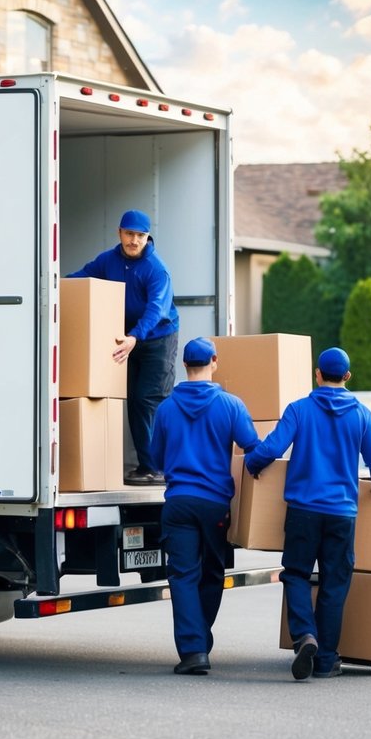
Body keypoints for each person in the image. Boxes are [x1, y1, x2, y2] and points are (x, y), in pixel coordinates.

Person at [244, 348, 371, 681]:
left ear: (317, 374)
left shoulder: (300, 410)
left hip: (303, 511)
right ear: (348, 377)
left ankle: (304, 635)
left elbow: (270, 449)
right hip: (342, 514)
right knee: (334, 584)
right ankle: (326, 660)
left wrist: (252, 464)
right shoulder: (362, 415)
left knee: (295, 575)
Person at [148, 337, 261, 675]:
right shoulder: (231, 405)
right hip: (215, 506)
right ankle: (201, 640)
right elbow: (252, 447)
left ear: (185, 365)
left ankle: (194, 649)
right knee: (211, 574)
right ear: (214, 361)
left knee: (182, 576)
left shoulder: (166, 408)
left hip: (179, 502)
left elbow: (155, 459)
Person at [68, 209, 179, 485]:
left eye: (140, 235)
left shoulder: (156, 269)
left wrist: (134, 337)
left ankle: (159, 468)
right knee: (132, 399)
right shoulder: (109, 260)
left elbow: (156, 310)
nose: (134, 240)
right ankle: (146, 466)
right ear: (119, 233)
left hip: (157, 340)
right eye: (129, 234)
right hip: (128, 339)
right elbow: (83, 277)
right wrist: (51, 283)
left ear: (147, 237)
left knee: (148, 400)